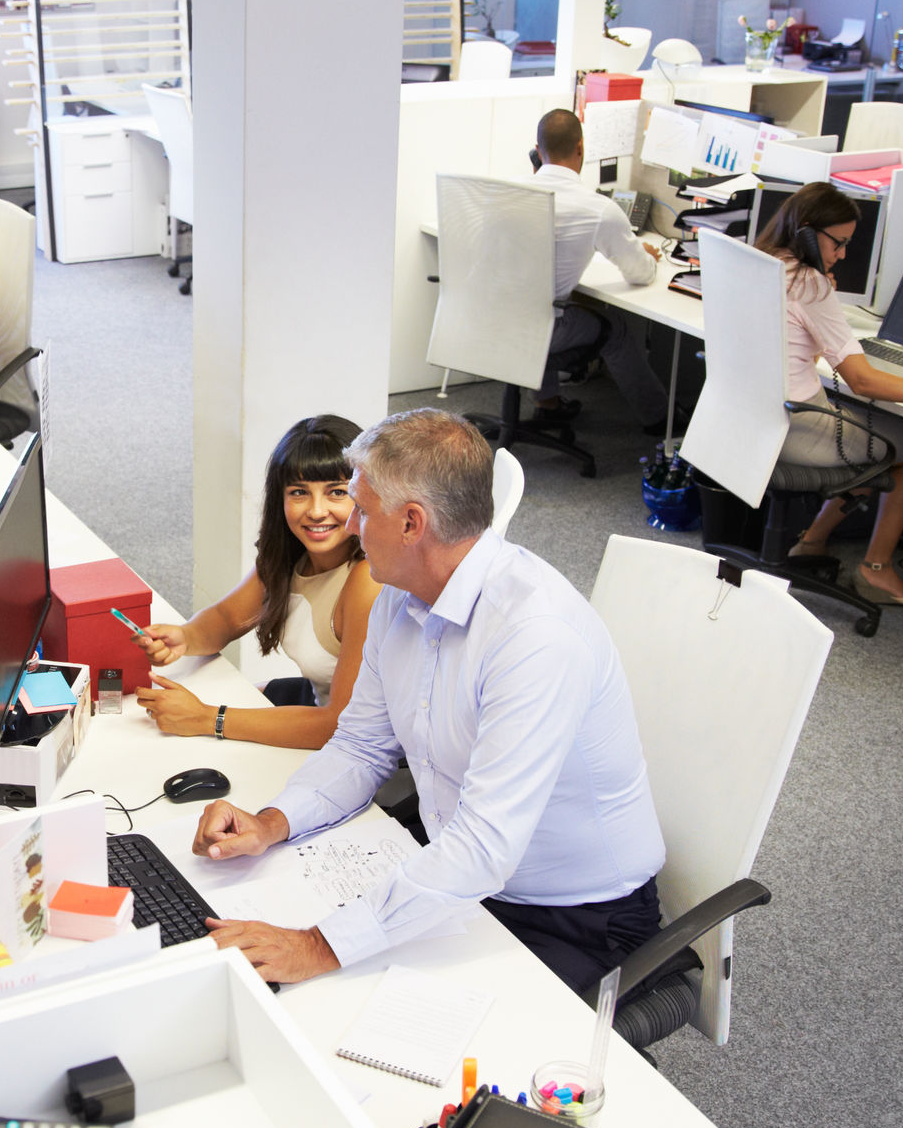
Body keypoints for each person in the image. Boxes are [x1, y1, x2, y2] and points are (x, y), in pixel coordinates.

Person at [187, 409, 667, 994]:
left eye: (362, 509)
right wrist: (271, 823)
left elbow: (485, 846)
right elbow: (362, 745)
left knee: (370, 1017)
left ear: (412, 524)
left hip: (575, 918)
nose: (352, 526)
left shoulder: (535, 637)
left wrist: (318, 945)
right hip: (459, 871)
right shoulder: (402, 591)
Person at [759, 181, 903, 608]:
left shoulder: (758, 262)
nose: (843, 254)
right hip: (798, 428)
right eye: (839, 243)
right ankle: (876, 568)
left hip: (757, 421)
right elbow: (862, 381)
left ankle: (812, 541)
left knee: (880, 437)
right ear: (808, 232)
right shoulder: (810, 285)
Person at [131, 415, 381, 749]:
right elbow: (226, 618)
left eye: (336, 492)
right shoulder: (291, 553)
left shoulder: (368, 579)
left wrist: (207, 718)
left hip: (366, 747)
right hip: (319, 700)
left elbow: (340, 726)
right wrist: (185, 637)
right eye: (299, 492)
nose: (317, 511)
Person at [528, 108, 671, 431]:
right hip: (543, 327)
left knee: (543, 301)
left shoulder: (510, 193)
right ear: (581, 147)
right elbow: (641, 274)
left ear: (538, 151)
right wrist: (645, 254)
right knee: (615, 327)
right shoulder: (598, 209)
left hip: (491, 318)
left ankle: (548, 403)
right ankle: (660, 419)